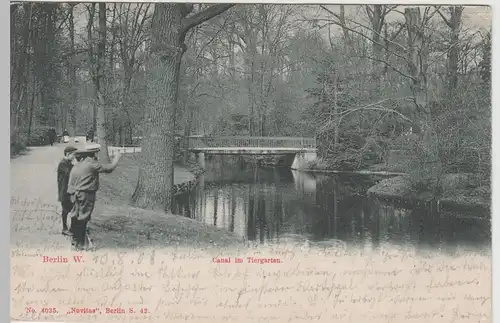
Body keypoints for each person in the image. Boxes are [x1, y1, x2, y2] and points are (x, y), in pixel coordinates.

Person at [67, 145, 121, 250]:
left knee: (76, 216)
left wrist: (72, 194)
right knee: (84, 217)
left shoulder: (78, 165)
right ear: (93, 154)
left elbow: (71, 181)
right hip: (86, 194)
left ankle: (74, 240)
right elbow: (109, 168)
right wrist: (117, 158)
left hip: (76, 193)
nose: (97, 156)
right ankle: (81, 244)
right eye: (96, 153)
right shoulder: (91, 163)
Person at [57, 146, 78, 236]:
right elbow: (70, 173)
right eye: (73, 154)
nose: (74, 157)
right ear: (68, 154)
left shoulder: (68, 163)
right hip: (64, 191)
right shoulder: (62, 164)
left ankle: (72, 228)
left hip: (68, 191)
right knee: (65, 210)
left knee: (72, 209)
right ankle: (65, 229)